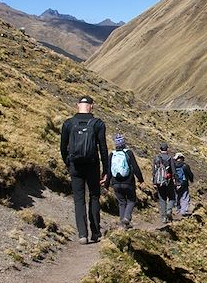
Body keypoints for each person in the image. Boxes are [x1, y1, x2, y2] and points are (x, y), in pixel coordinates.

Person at [60, 95, 109, 244]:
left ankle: (82, 234)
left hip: (75, 166)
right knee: (94, 197)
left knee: (79, 200)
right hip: (92, 165)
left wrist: (68, 162)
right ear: (91, 106)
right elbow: (103, 149)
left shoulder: (68, 124)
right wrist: (105, 170)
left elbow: (63, 147)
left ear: (77, 105)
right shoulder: (97, 124)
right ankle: (95, 232)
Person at [109, 134, 144, 230]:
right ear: (123, 143)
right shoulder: (128, 153)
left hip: (115, 183)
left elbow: (109, 170)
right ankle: (127, 218)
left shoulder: (112, 154)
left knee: (121, 202)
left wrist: (107, 183)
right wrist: (140, 179)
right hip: (128, 182)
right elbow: (135, 167)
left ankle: (123, 224)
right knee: (131, 200)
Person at [152, 142, 177, 223]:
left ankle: (163, 217)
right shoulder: (170, 158)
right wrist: (176, 180)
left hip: (159, 182)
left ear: (160, 149)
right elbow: (174, 171)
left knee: (162, 199)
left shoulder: (156, 158)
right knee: (172, 197)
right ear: (167, 149)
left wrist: (154, 182)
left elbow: (154, 171)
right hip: (168, 181)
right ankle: (169, 211)